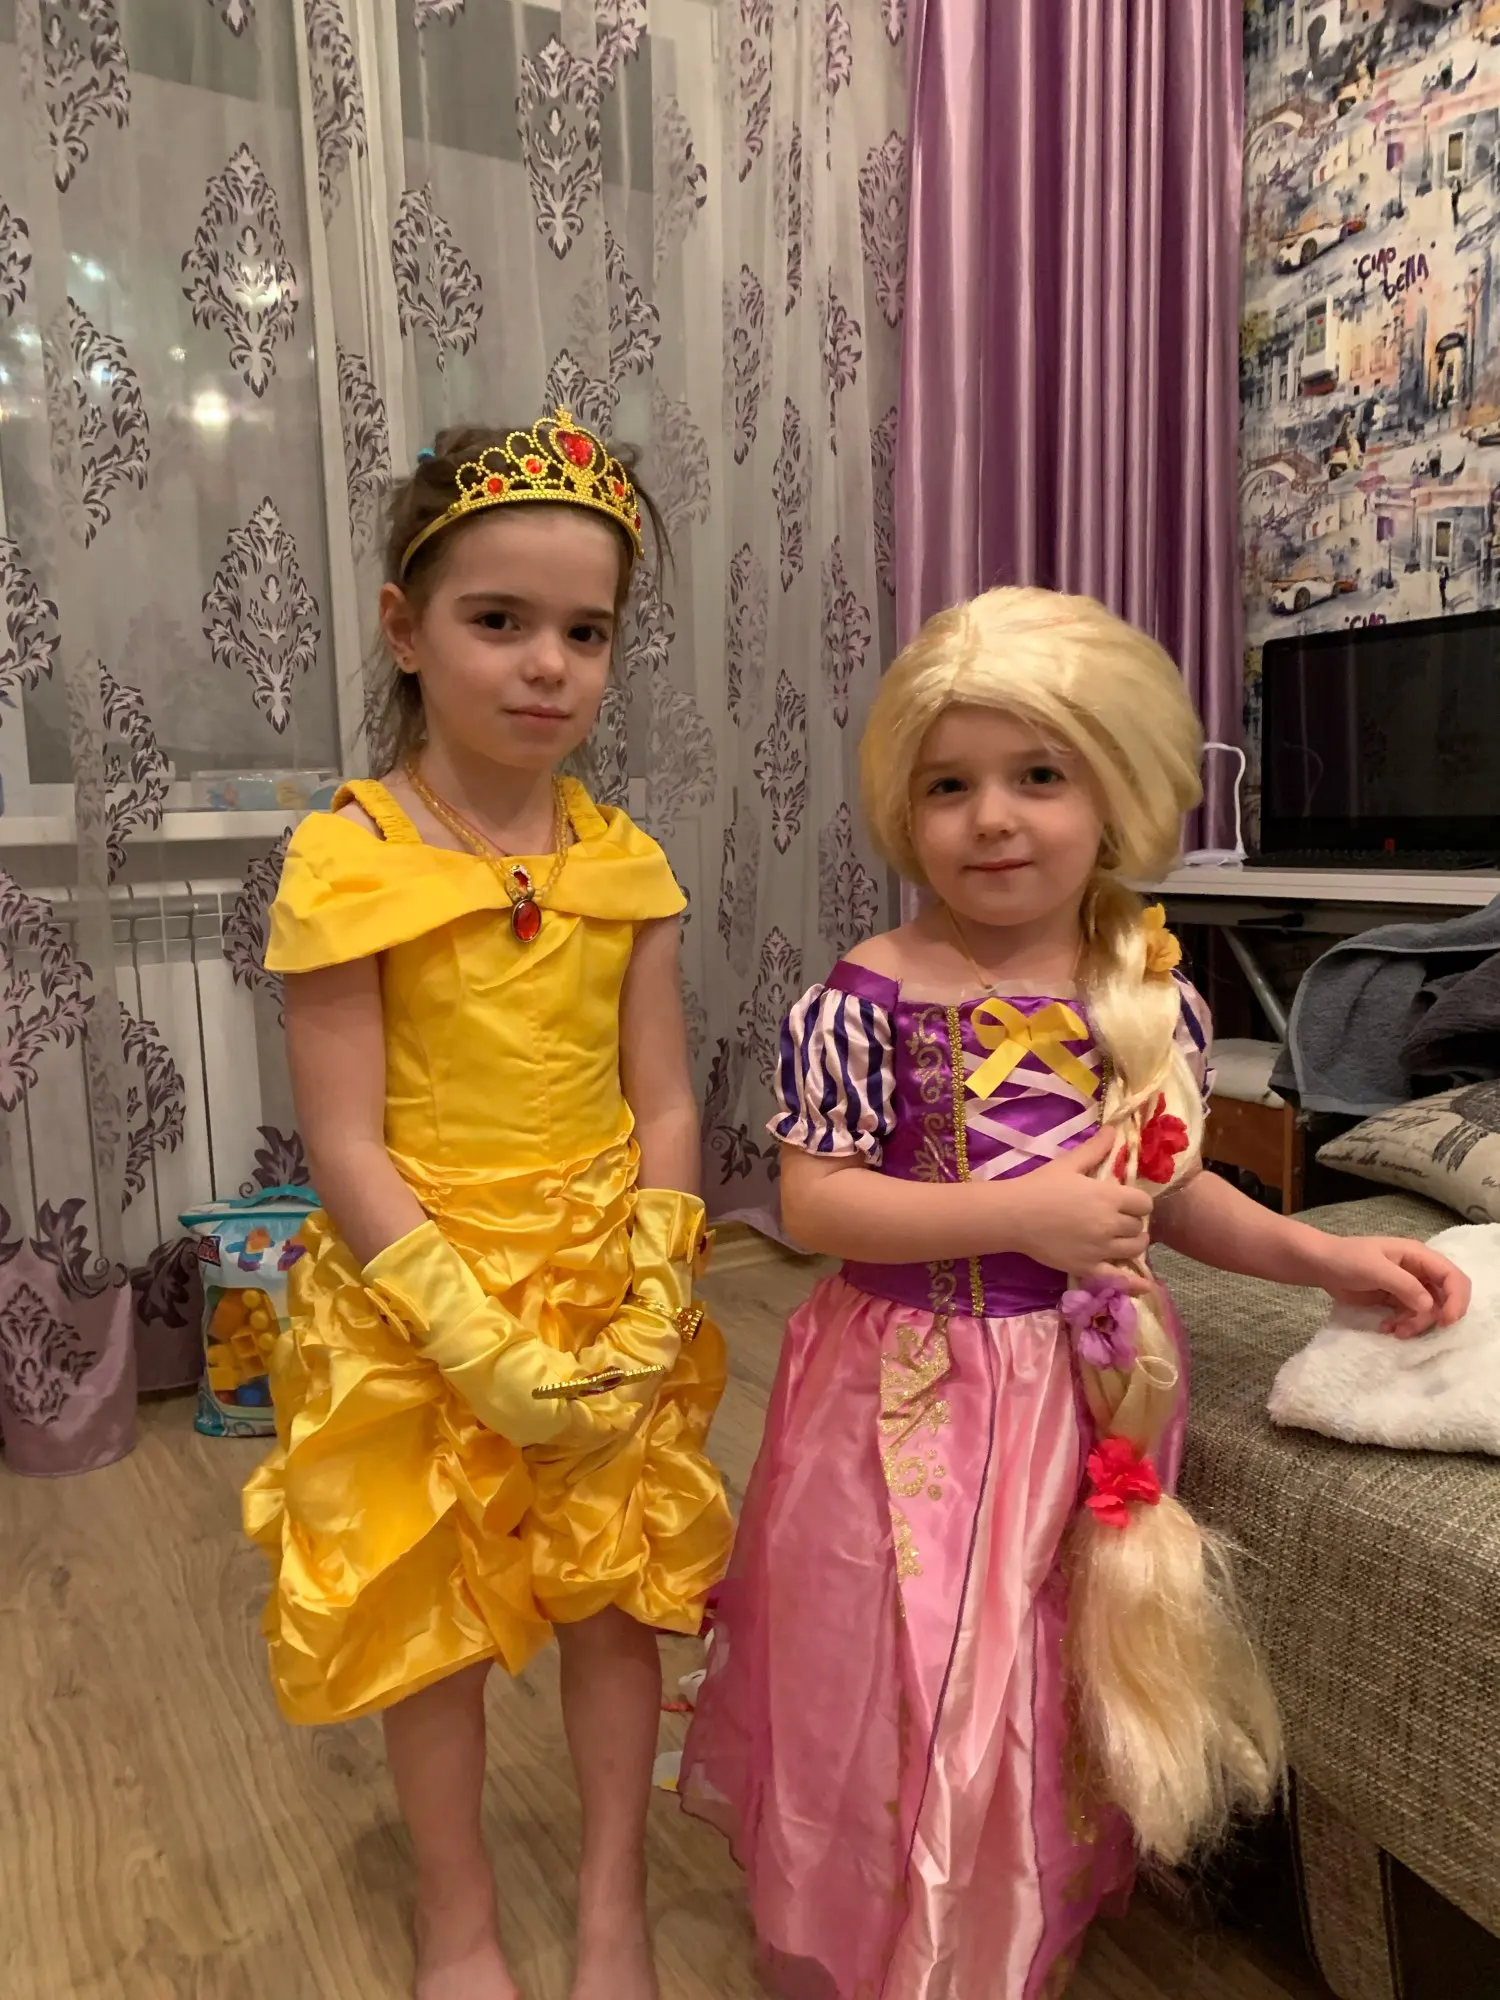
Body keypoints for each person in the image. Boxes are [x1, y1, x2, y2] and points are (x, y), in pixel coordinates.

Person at [679, 587, 1471, 2000]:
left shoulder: (1151, 997)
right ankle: (878, 1923)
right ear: (902, 805)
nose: (992, 819)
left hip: (1088, 1394)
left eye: (1038, 776)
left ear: (1116, 789)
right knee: (903, 1655)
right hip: (905, 1392)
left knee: (1042, 1669)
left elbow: (1171, 1191)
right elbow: (815, 1204)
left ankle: (995, 1927)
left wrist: (1324, 1256)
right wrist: (1021, 1213)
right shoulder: (867, 997)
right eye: (949, 785)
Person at [244, 412, 733, 2000]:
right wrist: (465, 1336)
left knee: (612, 1596)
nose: (547, 667)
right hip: (416, 1296)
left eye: (585, 633)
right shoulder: (353, 855)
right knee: (431, 1618)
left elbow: (665, 1101)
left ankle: (612, 1908)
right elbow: (344, 1139)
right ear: (407, 628)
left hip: (599, 1279)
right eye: (499, 620)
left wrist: (658, 1285)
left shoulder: (624, 859)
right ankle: (454, 1917)